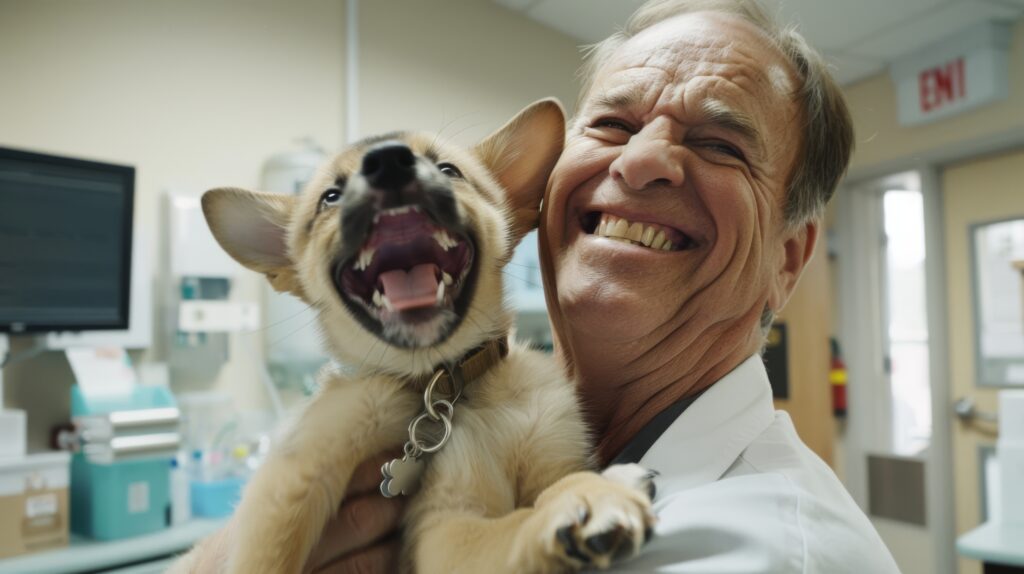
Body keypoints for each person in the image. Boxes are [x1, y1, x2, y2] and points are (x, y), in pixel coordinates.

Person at [194, 1, 901, 571]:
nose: (644, 159)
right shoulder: (497, 435)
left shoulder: (764, 552)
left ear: (788, 259)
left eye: (720, 144)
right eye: (614, 123)